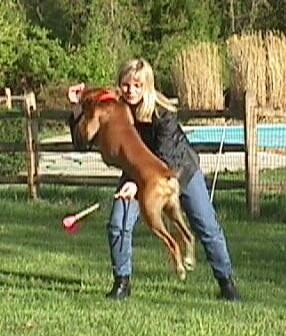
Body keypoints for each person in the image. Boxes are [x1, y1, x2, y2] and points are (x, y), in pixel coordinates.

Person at [68, 57, 241, 302]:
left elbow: (165, 155)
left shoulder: (163, 112)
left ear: (147, 85)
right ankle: (122, 283)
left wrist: (137, 184)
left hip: (178, 170)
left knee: (207, 226)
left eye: (137, 85)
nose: (131, 91)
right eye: (126, 85)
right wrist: (77, 108)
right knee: (119, 223)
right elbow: (81, 143)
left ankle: (227, 285)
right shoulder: (115, 109)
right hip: (138, 175)